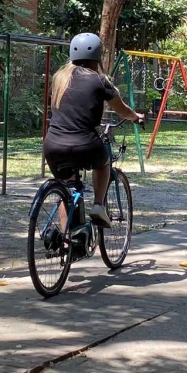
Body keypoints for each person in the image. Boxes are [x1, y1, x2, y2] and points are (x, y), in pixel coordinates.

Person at [43, 32, 144, 227]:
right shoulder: (100, 80)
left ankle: (66, 239)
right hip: (84, 144)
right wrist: (135, 117)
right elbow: (121, 109)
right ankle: (98, 205)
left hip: (53, 144)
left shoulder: (58, 78)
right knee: (104, 162)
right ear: (97, 56)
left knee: (67, 190)